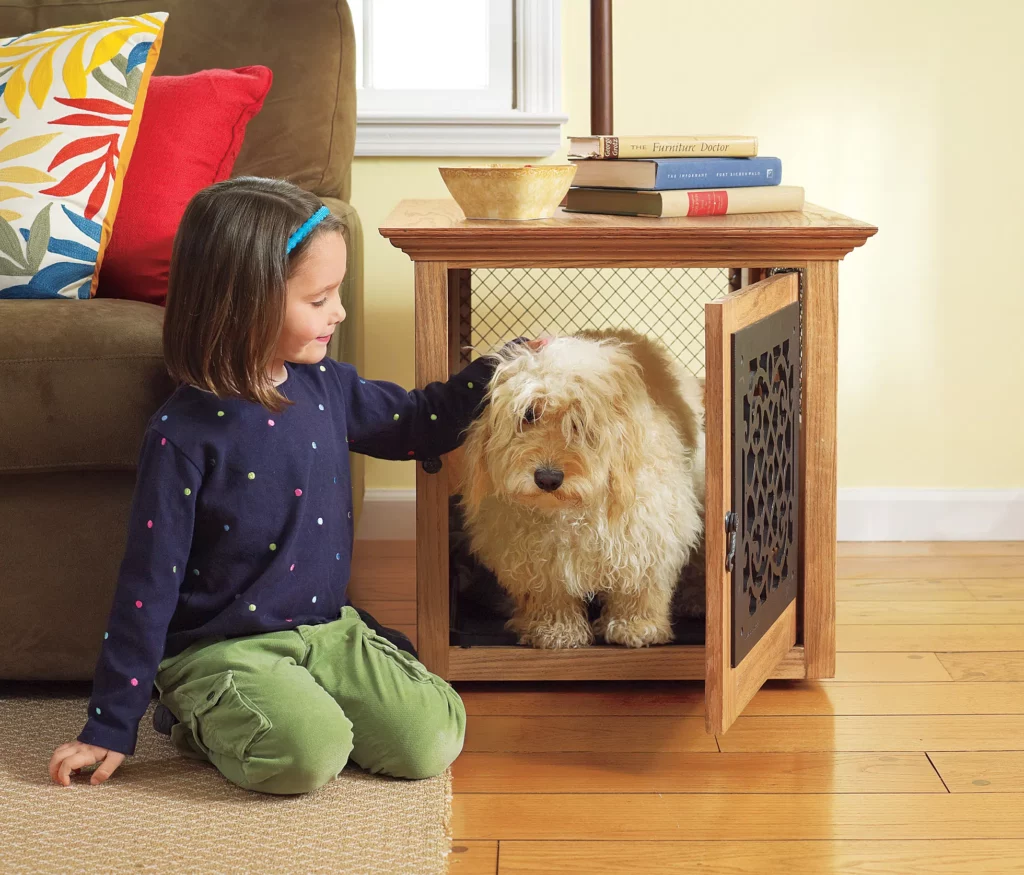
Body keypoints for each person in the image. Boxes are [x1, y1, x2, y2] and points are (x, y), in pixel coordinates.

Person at [48, 177, 538, 794]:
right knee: (308, 756)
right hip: (222, 648)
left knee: (432, 736)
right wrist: (110, 725)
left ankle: (311, 689)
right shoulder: (183, 434)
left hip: (327, 630)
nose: (338, 312)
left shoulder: (326, 385)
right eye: (320, 298)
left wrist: (504, 364)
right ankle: (196, 715)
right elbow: (147, 585)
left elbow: (417, 423)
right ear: (243, 303)